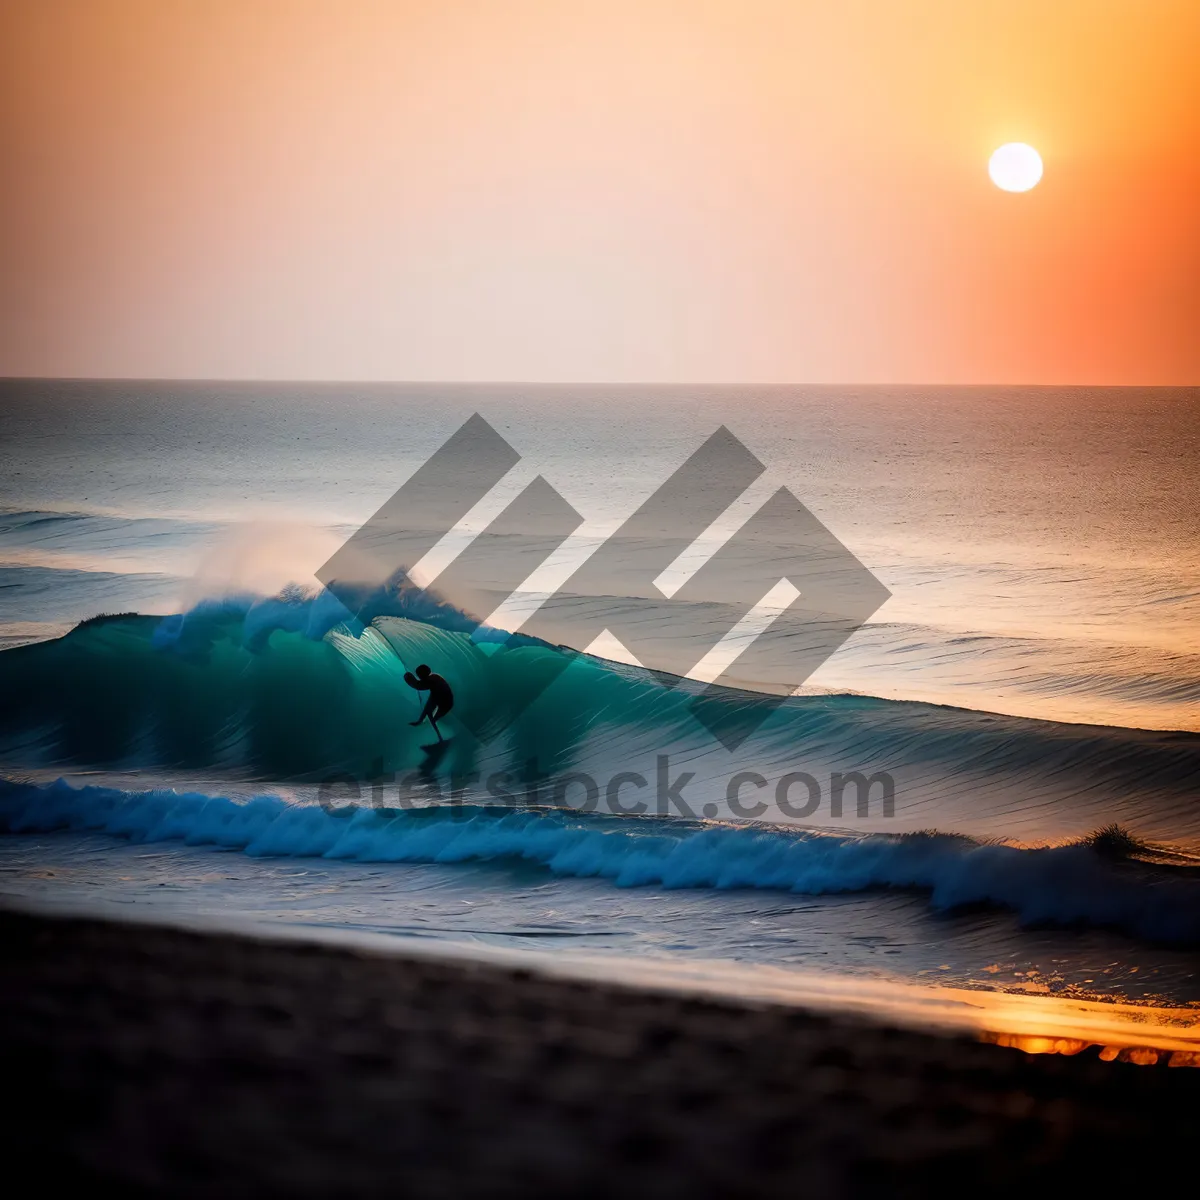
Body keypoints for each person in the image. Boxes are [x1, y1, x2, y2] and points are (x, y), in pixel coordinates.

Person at [404, 664, 454, 742]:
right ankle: (420, 722)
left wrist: (408, 678)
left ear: (422, 675)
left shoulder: (431, 681)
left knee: (433, 719)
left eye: (418, 675)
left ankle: (441, 739)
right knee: (428, 710)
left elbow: (418, 686)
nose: (418, 676)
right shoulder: (433, 676)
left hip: (446, 702)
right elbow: (420, 685)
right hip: (438, 696)